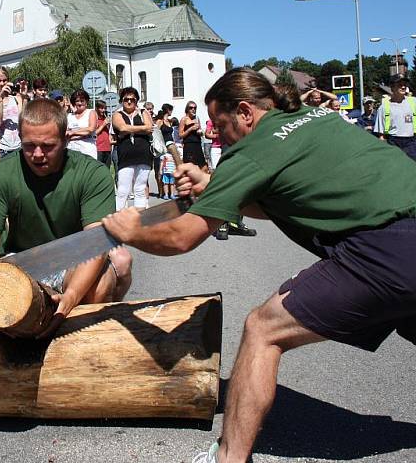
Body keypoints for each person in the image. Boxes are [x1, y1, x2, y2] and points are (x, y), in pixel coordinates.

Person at [102, 68, 416, 463]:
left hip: (386, 250)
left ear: (246, 113)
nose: (217, 135)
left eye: (221, 124)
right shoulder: (313, 118)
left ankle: (229, 457)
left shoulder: (251, 150)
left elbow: (182, 237)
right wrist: (213, 185)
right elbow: (282, 197)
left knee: (262, 328)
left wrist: (131, 231)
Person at [0, 98, 133, 336]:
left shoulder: (93, 174)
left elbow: (94, 243)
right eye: (29, 146)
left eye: (48, 146)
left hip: (73, 257)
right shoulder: (0, 174)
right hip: (21, 261)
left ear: (66, 139)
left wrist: (71, 298)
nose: (37, 154)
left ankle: (87, 341)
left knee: (103, 280)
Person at [112, 87, 153, 210]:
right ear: (121, 100)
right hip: (126, 155)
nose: (129, 102)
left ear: (136, 101)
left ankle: (140, 219)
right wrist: (142, 129)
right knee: (123, 190)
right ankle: (119, 218)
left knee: (140, 188)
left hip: (143, 154)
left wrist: (129, 129)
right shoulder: (117, 114)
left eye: (132, 99)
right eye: (126, 99)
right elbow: (122, 128)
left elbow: (150, 127)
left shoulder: (143, 112)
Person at [373, 73, 416, 161]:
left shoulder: (413, 102)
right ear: (392, 87)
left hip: (412, 142)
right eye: (400, 85)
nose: (403, 87)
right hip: (393, 142)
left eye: (404, 84)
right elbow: (381, 136)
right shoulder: (384, 107)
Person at [0, 66, 23, 157]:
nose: (2, 83)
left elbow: (23, 121)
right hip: (2, 150)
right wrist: (1, 99)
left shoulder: (16, 99)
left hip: (19, 147)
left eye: (5, 80)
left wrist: (24, 97)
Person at [66, 89, 97, 159]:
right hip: (71, 148)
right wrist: (82, 132)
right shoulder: (69, 116)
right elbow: (66, 133)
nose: (79, 103)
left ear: (86, 102)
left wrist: (73, 132)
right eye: (77, 101)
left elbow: (91, 129)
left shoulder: (91, 112)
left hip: (87, 149)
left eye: (82, 101)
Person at [179, 101, 207, 170]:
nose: (193, 109)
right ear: (187, 109)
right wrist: (190, 129)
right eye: (191, 108)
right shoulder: (184, 119)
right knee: (190, 167)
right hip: (189, 145)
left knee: (203, 167)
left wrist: (200, 132)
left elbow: (200, 131)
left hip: (197, 144)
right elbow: (180, 135)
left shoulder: (197, 118)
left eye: (195, 108)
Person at [94, 101, 112, 168]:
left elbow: (109, 133)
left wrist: (109, 125)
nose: (103, 110)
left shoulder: (105, 118)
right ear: (97, 108)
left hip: (108, 148)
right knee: (98, 170)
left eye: (104, 108)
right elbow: (94, 133)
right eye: (101, 108)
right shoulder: (94, 119)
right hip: (98, 149)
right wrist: (103, 124)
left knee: (107, 170)